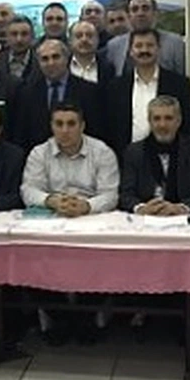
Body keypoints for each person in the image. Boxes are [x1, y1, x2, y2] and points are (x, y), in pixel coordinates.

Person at [20, 102, 119, 345]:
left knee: (105, 262)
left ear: (82, 126)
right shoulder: (39, 153)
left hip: (92, 223)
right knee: (31, 260)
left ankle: (85, 318)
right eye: (59, 124)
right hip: (52, 222)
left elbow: (111, 194)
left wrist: (87, 206)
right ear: (51, 126)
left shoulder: (102, 152)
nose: (65, 130)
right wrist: (51, 200)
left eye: (71, 124)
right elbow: (28, 189)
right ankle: (61, 317)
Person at [105, 29, 190, 153]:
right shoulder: (115, 87)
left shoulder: (179, 84)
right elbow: (111, 128)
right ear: (130, 51)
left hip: (170, 156)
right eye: (138, 46)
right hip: (127, 157)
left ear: (159, 49)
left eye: (150, 45)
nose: (144, 50)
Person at [120, 96, 190, 214]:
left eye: (168, 118)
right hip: (145, 217)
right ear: (149, 121)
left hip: (185, 217)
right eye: (157, 118)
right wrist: (141, 208)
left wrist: (181, 208)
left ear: (178, 121)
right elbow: (126, 194)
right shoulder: (134, 152)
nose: (162, 125)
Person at [14, 39, 105, 151]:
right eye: (45, 59)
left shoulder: (89, 91)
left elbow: (96, 131)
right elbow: (21, 135)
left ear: (67, 58)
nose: (51, 63)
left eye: (56, 57)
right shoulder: (26, 93)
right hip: (39, 157)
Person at [104, 0, 185, 77]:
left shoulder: (175, 44)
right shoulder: (114, 46)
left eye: (145, 8)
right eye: (135, 9)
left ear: (155, 13)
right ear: (129, 15)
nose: (140, 13)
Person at [0, 15, 38, 82]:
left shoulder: (40, 62)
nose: (19, 39)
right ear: (7, 36)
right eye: (14, 34)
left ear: (32, 36)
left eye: (24, 34)